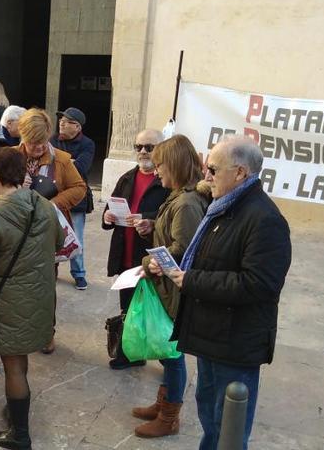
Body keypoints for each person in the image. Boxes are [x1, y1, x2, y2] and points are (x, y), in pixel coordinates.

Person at [163, 135, 292, 450]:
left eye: (212, 169)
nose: (205, 175)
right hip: (212, 334)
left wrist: (192, 280)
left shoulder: (265, 220)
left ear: (240, 173)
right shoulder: (224, 207)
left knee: (229, 428)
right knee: (211, 417)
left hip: (235, 342)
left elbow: (258, 284)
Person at [0, 147, 64, 450]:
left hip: (9, 301)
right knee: (19, 360)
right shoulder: (43, 205)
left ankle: (20, 433)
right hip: (40, 297)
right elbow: (59, 241)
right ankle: (16, 406)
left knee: (14, 366)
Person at [0, 108, 86, 355]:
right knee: (13, 285)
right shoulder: (8, 157)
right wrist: (7, 192)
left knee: (44, 286)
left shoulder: (60, 159)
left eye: (42, 143)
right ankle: (13, 330)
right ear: (21, 136)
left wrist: (50, 206)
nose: (38, 148)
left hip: (44, 235)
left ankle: (47, 332)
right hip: (11, 233)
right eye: (32, 143)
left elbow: (79, 188)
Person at [132, 134, 209, 438]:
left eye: (161, 165)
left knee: (173, 355)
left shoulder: (187, 202)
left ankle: (169, 416)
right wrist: (153, 227)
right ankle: (163, 403)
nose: (156, 170)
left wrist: (149, 264)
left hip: (175, 291)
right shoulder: (179, 196)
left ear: (174, 165)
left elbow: (184, 250)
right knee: (167, 351)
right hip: (167, 288)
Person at [102, 129, 170, 369]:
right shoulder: (127, 177)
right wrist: (107, 216)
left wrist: (148, 220)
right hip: (126, 255)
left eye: (149, 147)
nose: (142, 152)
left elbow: (170, 216)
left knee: (156, 310)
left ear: (162, 149)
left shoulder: (167, 181)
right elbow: (111, 205)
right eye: (138, 146)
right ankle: (130, 354)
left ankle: (169, 360)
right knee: (127, 308)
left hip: (151, 258)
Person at [50, 107, 95, 291]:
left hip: (76, 200)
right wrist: (70, 162)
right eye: (61, 119)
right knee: (51, 236)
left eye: (67, 121)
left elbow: (82, 167)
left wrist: (61, 162)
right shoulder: (52, 140)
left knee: (76, 239)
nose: (61, 123)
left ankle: (79, 274)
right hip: (53, 196)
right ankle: (51, 271)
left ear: (77, 126)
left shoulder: (88, 144)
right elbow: (49, 166)